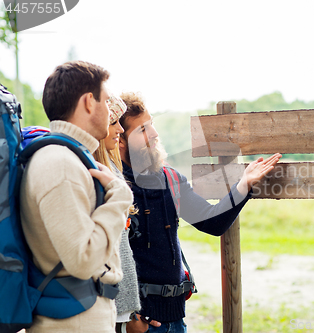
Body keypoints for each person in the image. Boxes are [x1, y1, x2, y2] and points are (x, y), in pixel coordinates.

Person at [118, 92, 281, 332]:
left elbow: (212, 223)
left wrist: (244, 184)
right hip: (137, 325)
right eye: (142, 129)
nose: (154, 134)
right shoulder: (113, 186)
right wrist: (127, 319)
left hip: (176, 319)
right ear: (120, 139)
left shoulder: (171, 179)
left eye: (151, 124)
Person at [20, 61, 134, 333]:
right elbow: (83, 259)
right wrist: (119, 198)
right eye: (106, 101)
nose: (110, 111)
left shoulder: (68, 158)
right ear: (88, 102)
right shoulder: (59, 164)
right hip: (73, 323)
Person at [93, 94, 161, 333]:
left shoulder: (113, 170)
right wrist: (129, 314)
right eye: (113, 123)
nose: (119, 129)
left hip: (124, 311)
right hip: (112, 311)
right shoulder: (93, 173)